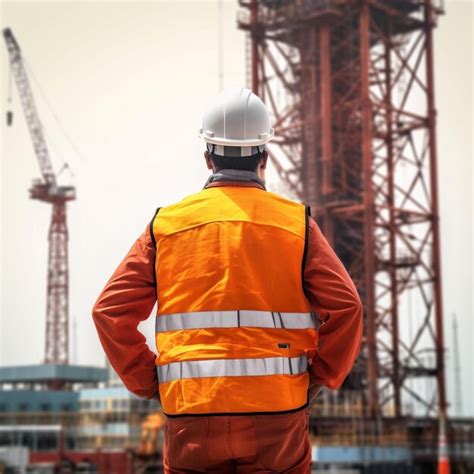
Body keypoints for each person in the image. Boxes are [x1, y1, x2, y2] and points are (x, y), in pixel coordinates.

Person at [92, 87, 363, 473]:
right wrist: (319, 377)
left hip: (191, 410)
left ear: (207, 157)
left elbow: (108, 312)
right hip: (278, 410)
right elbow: (347, 308)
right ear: (264, 156)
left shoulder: (166, 225)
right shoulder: (295, 224)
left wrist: (150, 382)